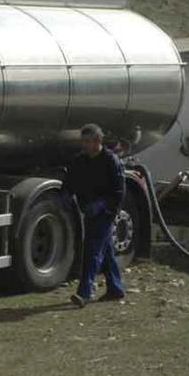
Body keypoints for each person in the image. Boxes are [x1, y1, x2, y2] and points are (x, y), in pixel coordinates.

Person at [62, 123, 126, 308]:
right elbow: (70, 181)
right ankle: (115, 288)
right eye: (83, 141)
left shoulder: (110, 161)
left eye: (88, 141)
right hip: (88, 210)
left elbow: (118, 191)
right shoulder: (80, 160)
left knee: (92, 251)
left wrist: (104, 205)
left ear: (98, 141)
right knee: (105, 251)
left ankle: (85, 293)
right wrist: (65, 193)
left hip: (104, 212)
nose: (84, 145)